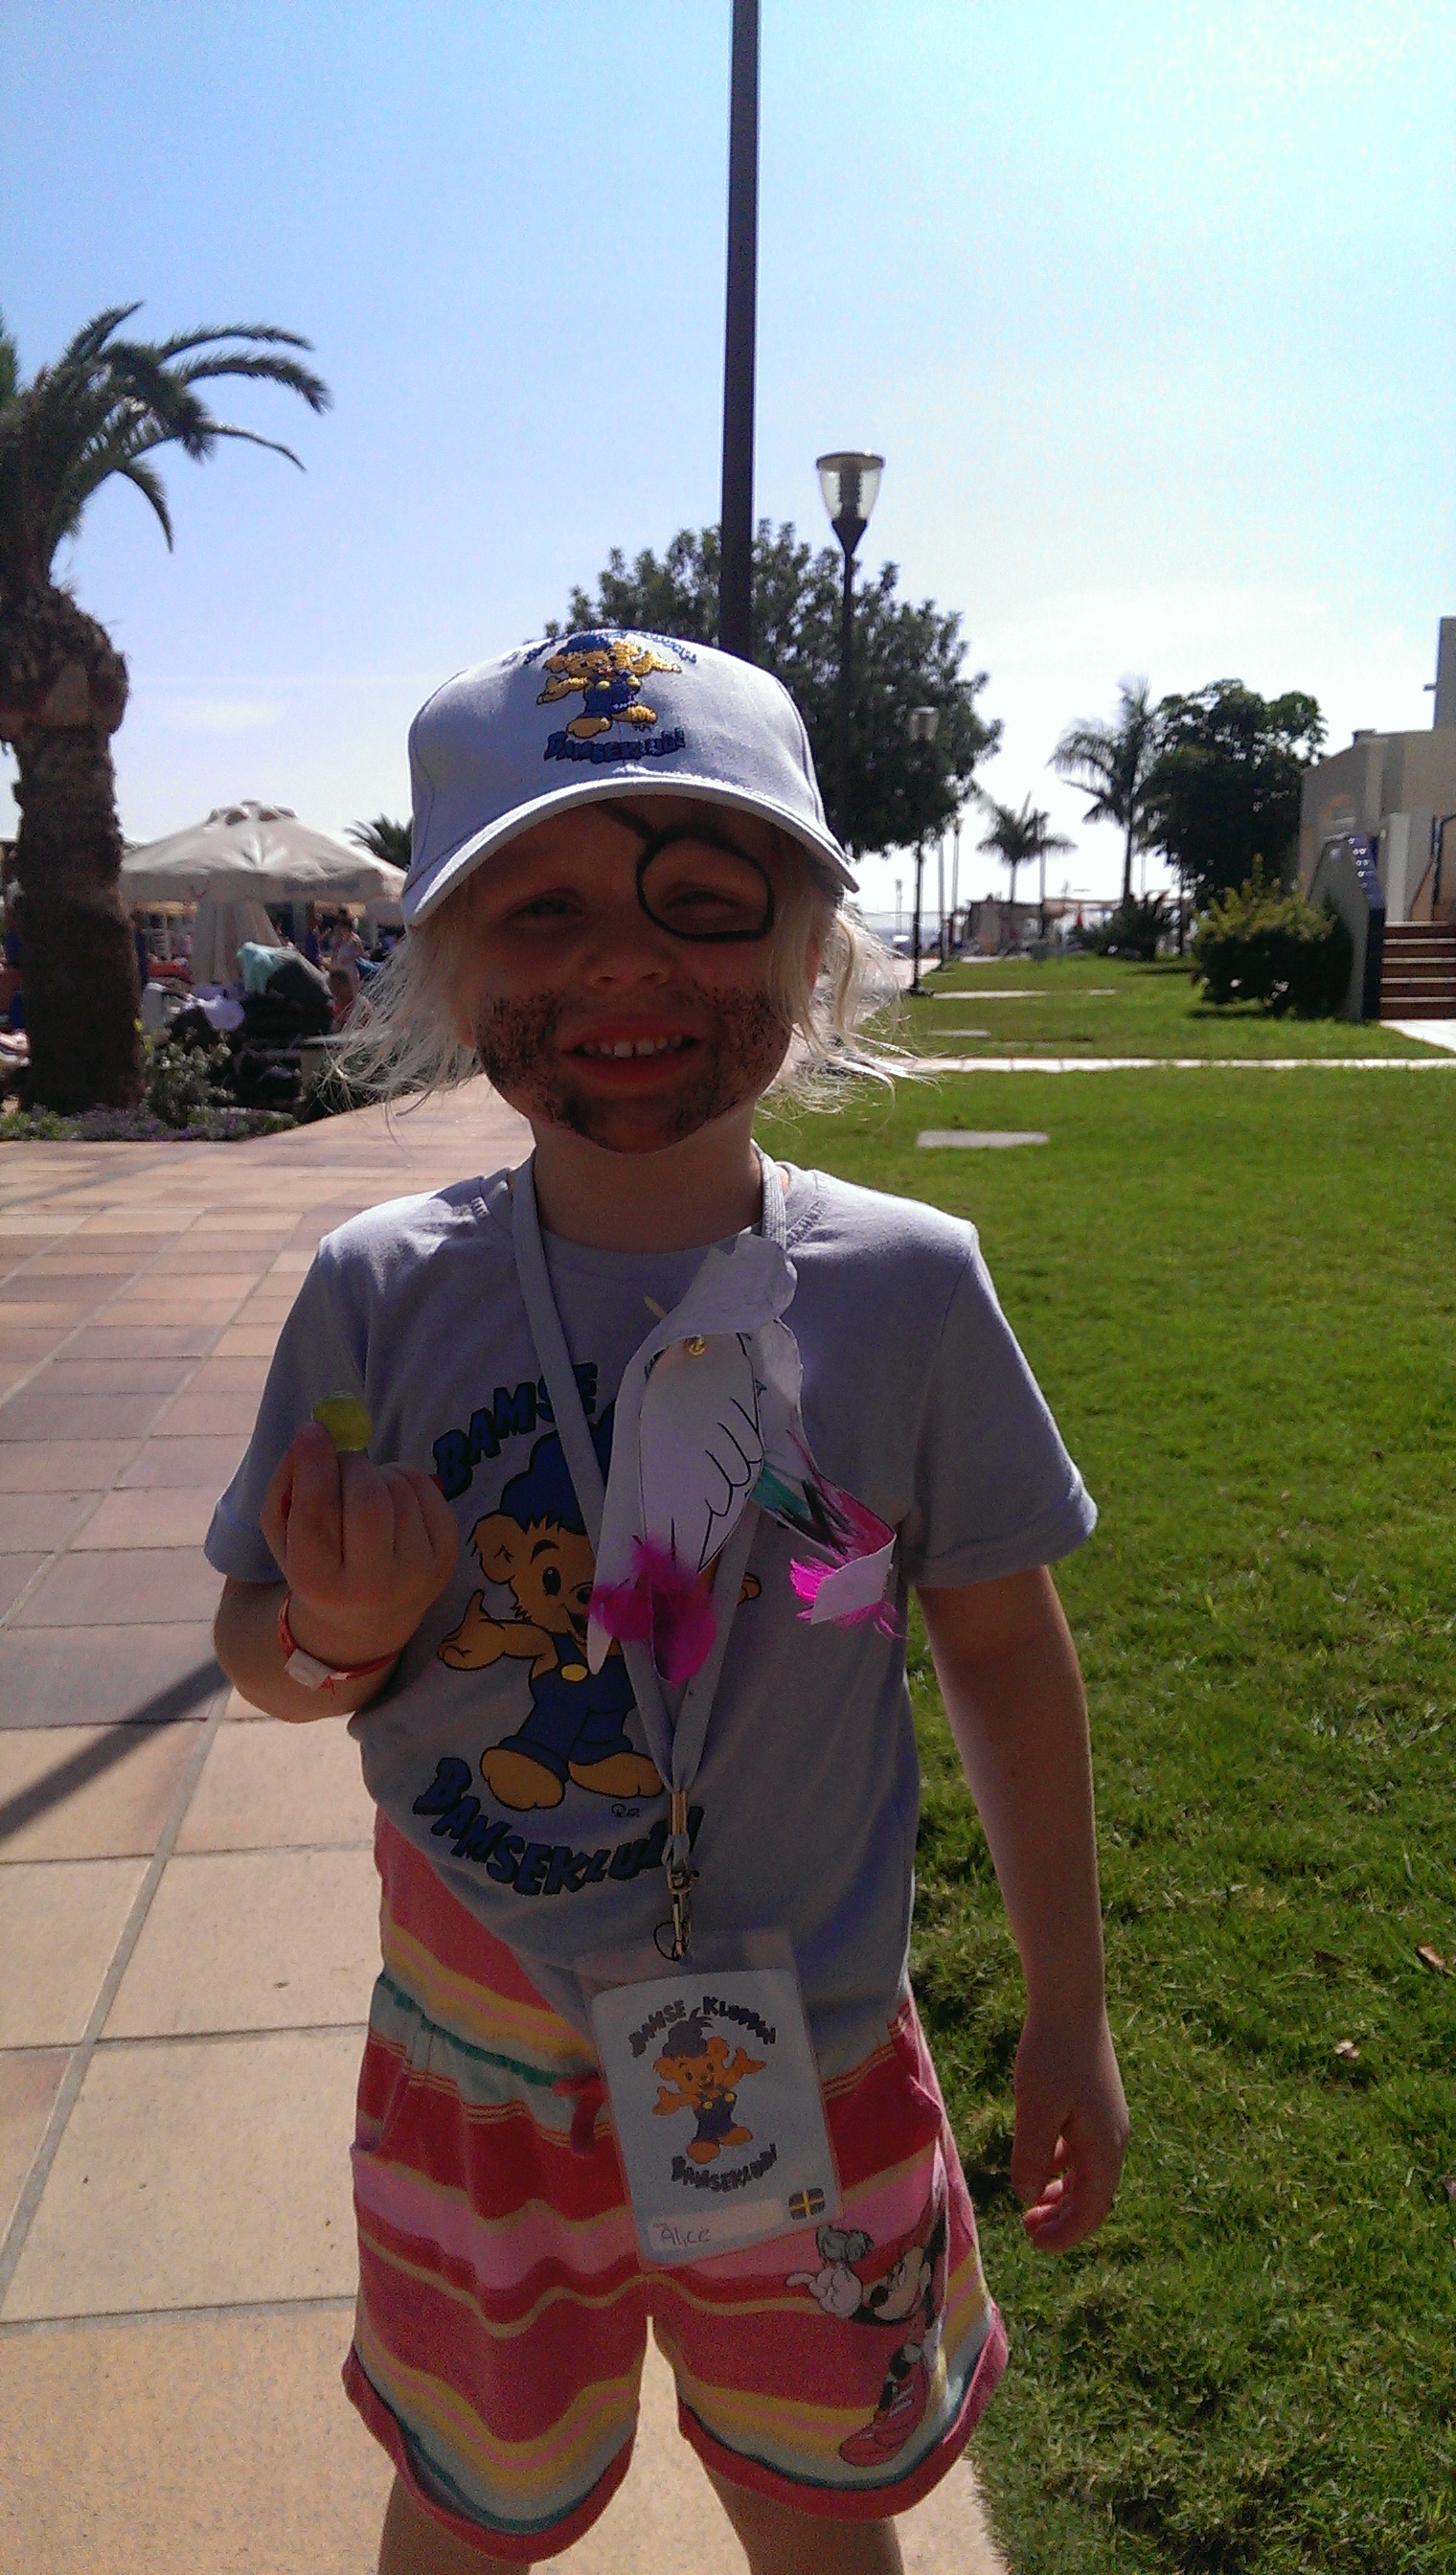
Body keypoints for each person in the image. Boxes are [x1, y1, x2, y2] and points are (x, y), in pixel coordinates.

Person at [208, 634, 1127, 2575]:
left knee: (817, 2507)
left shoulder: (909, 1289)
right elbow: (263, 1651)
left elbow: (999, 1654)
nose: (623, 962)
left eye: (701, 902)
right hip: (483, 2073)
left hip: (807, 2047)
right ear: (452, 967)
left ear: (808, 953)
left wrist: (1070, 2011)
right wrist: (335, 1636)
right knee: (469, 2510)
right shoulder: (380, 1291)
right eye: (541, 910)